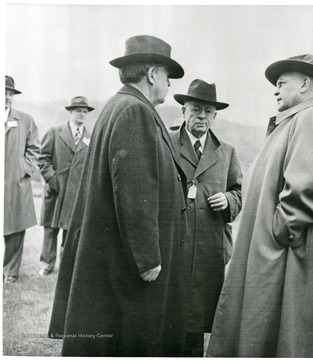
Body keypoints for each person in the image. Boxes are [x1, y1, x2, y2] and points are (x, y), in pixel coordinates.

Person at [48, 35, 189, 357]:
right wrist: (147, 258)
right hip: (128, 266)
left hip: (115, 258)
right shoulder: (134, 111)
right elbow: (135, 189)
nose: (169, 85)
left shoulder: (120, 106)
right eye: (168, 76)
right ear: (153, 74)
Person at [207, 54, 313, 357]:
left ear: (306, 83)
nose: (275, 90)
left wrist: (278, 235)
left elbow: (304, 191)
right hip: (277, 258)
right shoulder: (297, 120)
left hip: (288, 261)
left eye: (282, 83)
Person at [170, 79, 242, 356]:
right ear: (183, 111)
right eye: (196, 109)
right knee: (169, 312)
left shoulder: (226, 151)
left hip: (209, 247)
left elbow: (238, 191)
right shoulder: (166, 141)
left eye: (208, 111)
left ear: (215, 116)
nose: (202, 116)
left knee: (197, 318)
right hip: (174, 242)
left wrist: (228, 200)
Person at [38, 96, 94, 276]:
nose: (82, 114)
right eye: (79, 110)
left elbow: (93, 165)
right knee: (50, 228)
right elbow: (43, 158)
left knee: (70, 230)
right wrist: (51, 179)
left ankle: (66, 266)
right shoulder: (55, 132)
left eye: (85, 111)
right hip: (55, 189)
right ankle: (47, 264)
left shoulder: (90, 137)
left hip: (76, 193)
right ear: (70, 112)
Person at [4, 75, 40, 283]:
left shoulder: (25, 120)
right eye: (4, 93)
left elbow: (34, 149)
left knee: (15, 230)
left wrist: (23, 169)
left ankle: (10, 272)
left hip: (16, 184)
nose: (7, 97)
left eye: (10, 94)